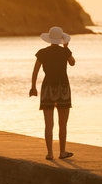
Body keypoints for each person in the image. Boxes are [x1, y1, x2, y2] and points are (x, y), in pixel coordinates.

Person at [29, 26, 76, 160]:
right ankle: (62, 152)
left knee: (48, 124)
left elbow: (35, 71)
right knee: (63, 124)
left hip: (47, 87)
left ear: (49, 38)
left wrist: (33, 87)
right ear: (61, 39)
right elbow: (73, 63)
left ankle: (50, 153)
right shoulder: (65, 52)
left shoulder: (42, 53)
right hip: (63, 87)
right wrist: (66, 48)